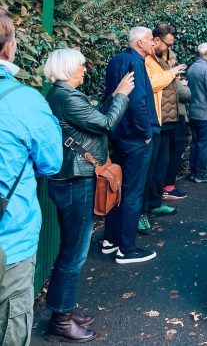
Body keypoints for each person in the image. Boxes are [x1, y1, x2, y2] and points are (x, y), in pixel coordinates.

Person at [43, 48, 134, 342]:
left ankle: (63, 310)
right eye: (82, 65)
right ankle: (61, 320)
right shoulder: (67, 97)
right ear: (69, 68)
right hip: (76, 181)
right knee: (75, 252)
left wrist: (114, 98)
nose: (85, 69)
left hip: (72, 179)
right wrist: (120, 94)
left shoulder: (63, 96)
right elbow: (106, 123)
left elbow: (96, 118)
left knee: (71, 250)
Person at [0, 9, 62, 346]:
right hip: (9, 240)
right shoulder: (24, 102)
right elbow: (51, 162)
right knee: (10, 326)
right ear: (9, 47)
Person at [102, 26, 159, 264]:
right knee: (133, 191)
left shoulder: (116, 60)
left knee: (116, 187)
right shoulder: (136, 63)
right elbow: (137, 102)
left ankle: (110, 240)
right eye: (149, 40)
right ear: (139, 44)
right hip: (136, 139)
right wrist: (145, 132)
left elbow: (111, 95)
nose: (153, 44)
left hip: (118, 135)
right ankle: (127, 248)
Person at [139, 24, 187, 236]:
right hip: (156, 122)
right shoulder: (147, 61)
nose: (169, 48)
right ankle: (142, 212)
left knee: (162, 167)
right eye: (167, 44)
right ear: (156, 40)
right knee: (148, 170)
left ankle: (155, 202)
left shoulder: (162, 59)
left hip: (169, 121)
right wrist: (171, 73)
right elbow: (151, 85)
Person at [186, 43, 207, 183]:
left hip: (193, 113)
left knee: (195, 143)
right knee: (204, 145)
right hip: (206, 114)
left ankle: (193, 172)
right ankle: (200, 175)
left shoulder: (192, 68)